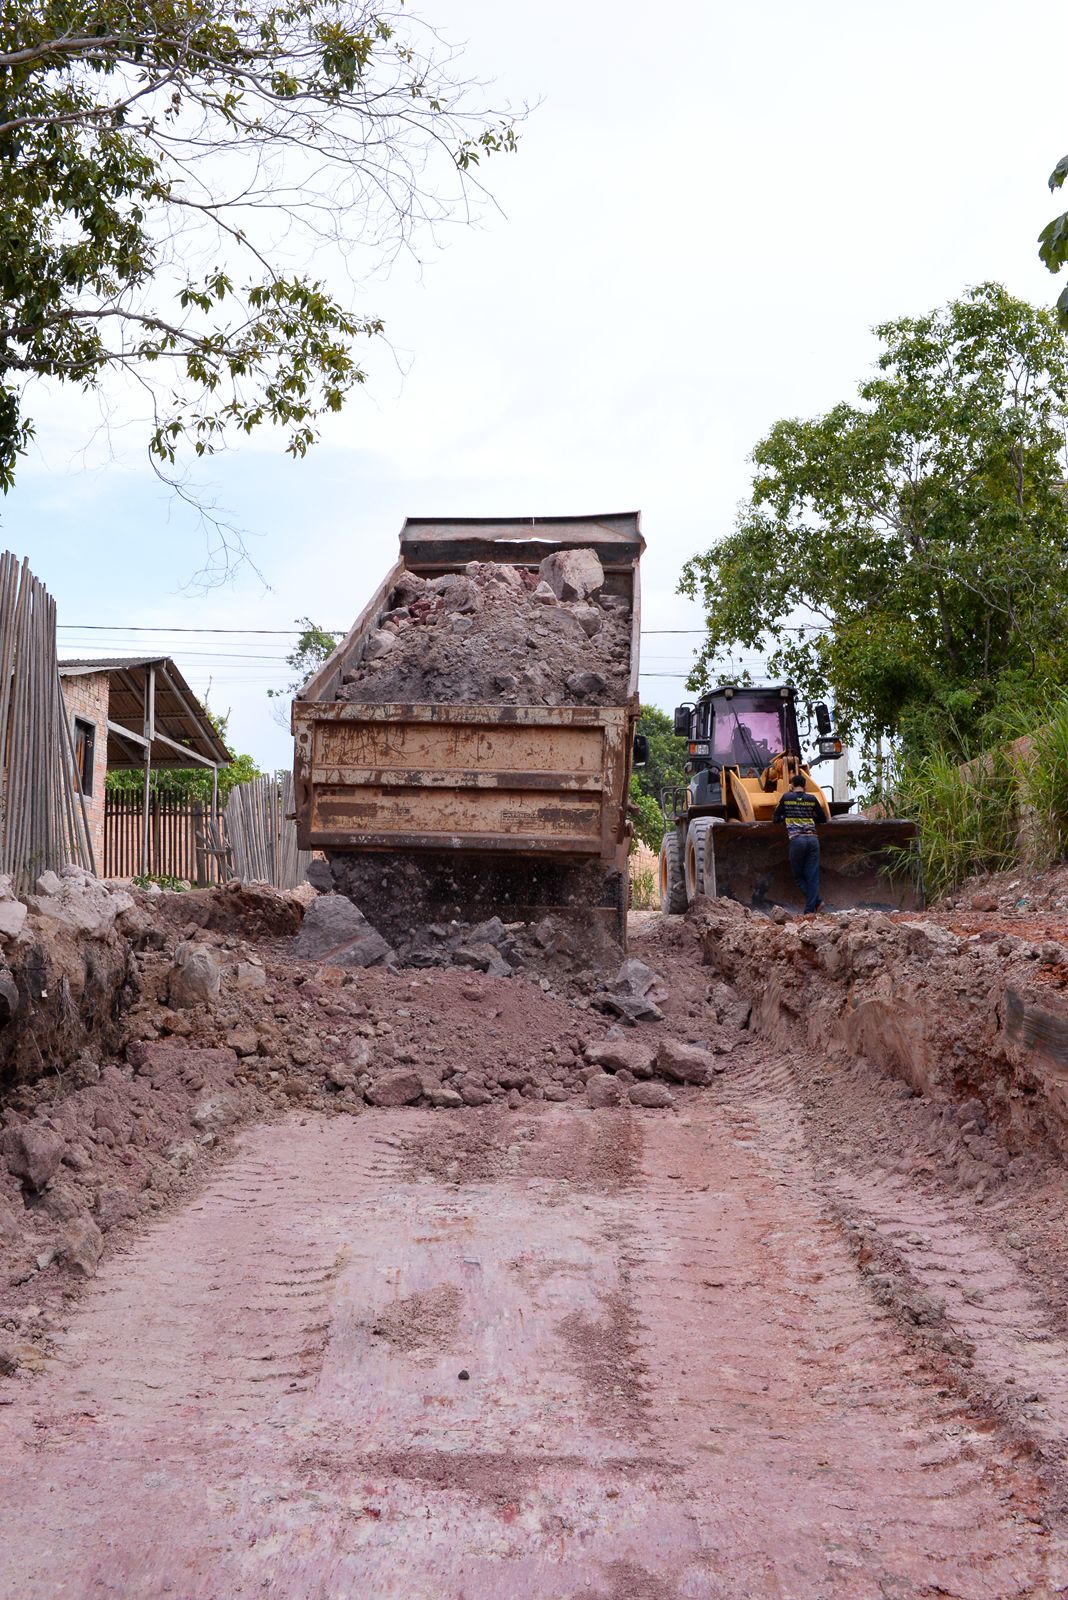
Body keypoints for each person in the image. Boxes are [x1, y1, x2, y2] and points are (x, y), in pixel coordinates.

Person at [773, 773, 824, 914]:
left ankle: (815, 904)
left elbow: (775, 819)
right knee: (812, 876)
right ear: (805, 786)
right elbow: (823, 818)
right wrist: (810, 817)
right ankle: (814, 906)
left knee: (798, 876)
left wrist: (786, 816)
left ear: (791, 785)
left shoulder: (786, 798)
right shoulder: (812, 799)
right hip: (813, 840)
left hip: (797, 841)